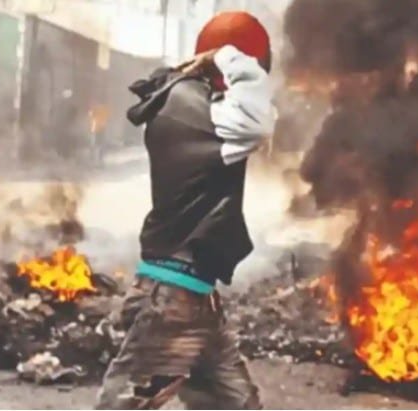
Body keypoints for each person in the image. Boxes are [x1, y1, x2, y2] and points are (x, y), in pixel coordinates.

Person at [96, 11, 276, 409]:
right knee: (124, 404)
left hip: (194, 299)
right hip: (174, 299)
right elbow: (259, 122)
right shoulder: (198, 111)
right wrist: (226, 56)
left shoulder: (187, 102)